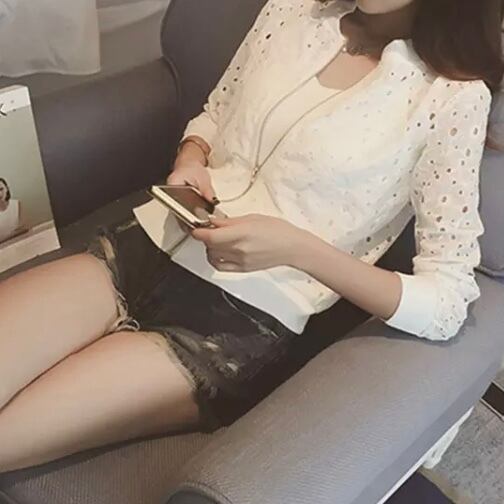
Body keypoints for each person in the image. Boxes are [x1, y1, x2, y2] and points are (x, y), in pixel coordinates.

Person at [0, 0, 502, 472]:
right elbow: (218, 111)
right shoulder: (292, 10)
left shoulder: (452, 98)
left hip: (235, 322)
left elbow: (447, 303)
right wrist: (191, 157)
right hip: (146, 242)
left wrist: (297, 249)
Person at [0, 178, 21, 244]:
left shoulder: (17, 204)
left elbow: (25, 227)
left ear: (7, 189)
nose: (0, 194)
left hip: (19, 241)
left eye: (1, 189)